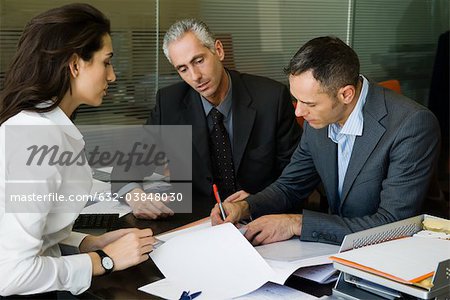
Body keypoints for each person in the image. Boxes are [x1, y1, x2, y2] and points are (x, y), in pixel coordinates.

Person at [211, 36, 442, 245]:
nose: (298, 113)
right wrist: (243, 207)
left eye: (309, 104)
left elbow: (393, 223)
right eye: (296, 100)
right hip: (336, 247)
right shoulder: (319, 120)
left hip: (401, 253)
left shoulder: (412, 125)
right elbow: (291, 185)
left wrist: (295, 223)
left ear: (346, 94)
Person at [0, 4, 155, 297]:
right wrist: (106, 261)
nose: (113, 76)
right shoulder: (38, 138)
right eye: (106, 62)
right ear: (75, 65)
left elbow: (29, 232)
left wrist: (88, 243)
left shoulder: (45, 125)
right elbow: (12, 273)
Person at [111, 19, 301, 219]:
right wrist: (134, 195)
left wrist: (256, 202)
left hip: (261, 219)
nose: (195, 77)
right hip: (196, 224)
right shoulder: (170, 103)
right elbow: (128, 165)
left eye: (199, 61)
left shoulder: (271, 99)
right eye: (183, 69)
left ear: (218, 50)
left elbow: (298, 177)